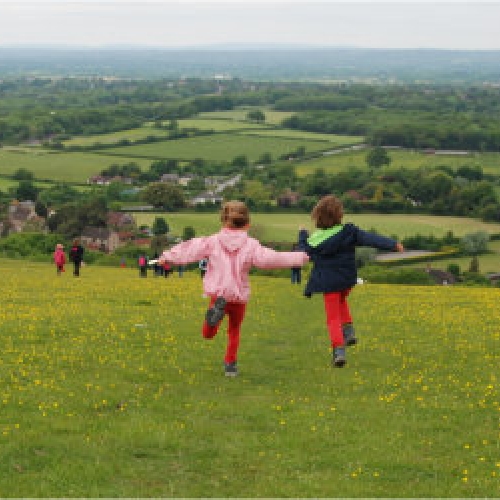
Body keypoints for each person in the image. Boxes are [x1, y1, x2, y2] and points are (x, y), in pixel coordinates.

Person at [159, 200, 309, 377]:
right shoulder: (251, 245)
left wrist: (167, 257)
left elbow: (189, 249)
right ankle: (230, 365)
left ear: (223, 220)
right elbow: (271, 259)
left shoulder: (212, 241)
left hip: (219, 294)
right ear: (248, 223)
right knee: (234, 330)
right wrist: (302, 256)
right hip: (239, 296)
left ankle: (210, 323)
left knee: (208, 334)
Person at [299, 194, 404, 368]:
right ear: (340, 215)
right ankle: (348, 331)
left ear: (318, 216)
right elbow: (371, 239)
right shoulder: (349, 232)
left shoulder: (315, 240)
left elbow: (303, 252)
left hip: (328, 282)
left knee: (332, 318)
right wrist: (393, 244)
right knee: (342, 300)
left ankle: (339, 351)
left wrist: (302, 234)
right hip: (347, 280)